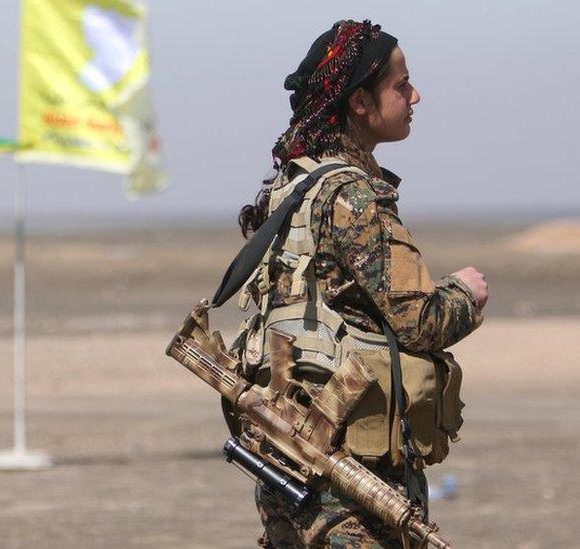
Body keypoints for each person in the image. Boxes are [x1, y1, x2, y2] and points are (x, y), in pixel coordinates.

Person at [235, 20, 488, 548]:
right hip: (351, 480)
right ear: (359, 103)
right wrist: (466, 293)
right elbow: (418, 322)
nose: (415, 95)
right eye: (401, 85)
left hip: (288, 459)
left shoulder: (290, 190)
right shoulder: (352, 197)